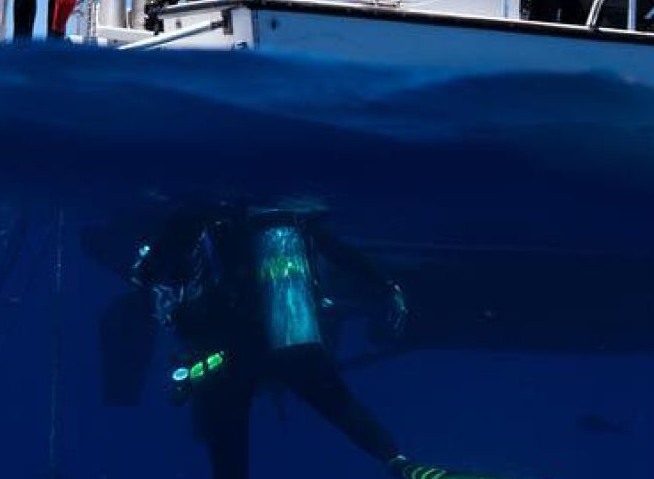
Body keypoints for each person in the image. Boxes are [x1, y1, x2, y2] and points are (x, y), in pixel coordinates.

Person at [116, 199, 501, 479]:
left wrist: (149, 271)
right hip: (292, 335)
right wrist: (387, 284)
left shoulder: (196, 218)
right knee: (340, 405)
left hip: (228, 354)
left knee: (228, 444)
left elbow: (147, 274)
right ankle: (403, 465)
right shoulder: (291, 222)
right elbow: (337, 249)